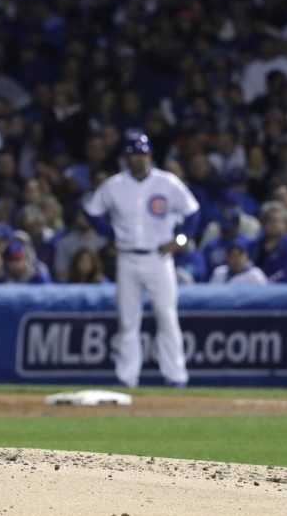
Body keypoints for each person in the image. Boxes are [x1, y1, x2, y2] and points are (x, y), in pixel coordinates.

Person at [84, 131, 200, 388]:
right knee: (127, 320)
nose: (139, 158)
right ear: (127, 157)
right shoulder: (114, 185)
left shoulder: (167, 183)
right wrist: (109, 233)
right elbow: (92, 211)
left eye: (143, 153)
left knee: (167, 316)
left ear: (150, 155)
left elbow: (193, 213)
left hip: (159, 257)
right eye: (134, 154)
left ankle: (176, 376)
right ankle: (127, 377)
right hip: (127, 258)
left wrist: (180, 240)